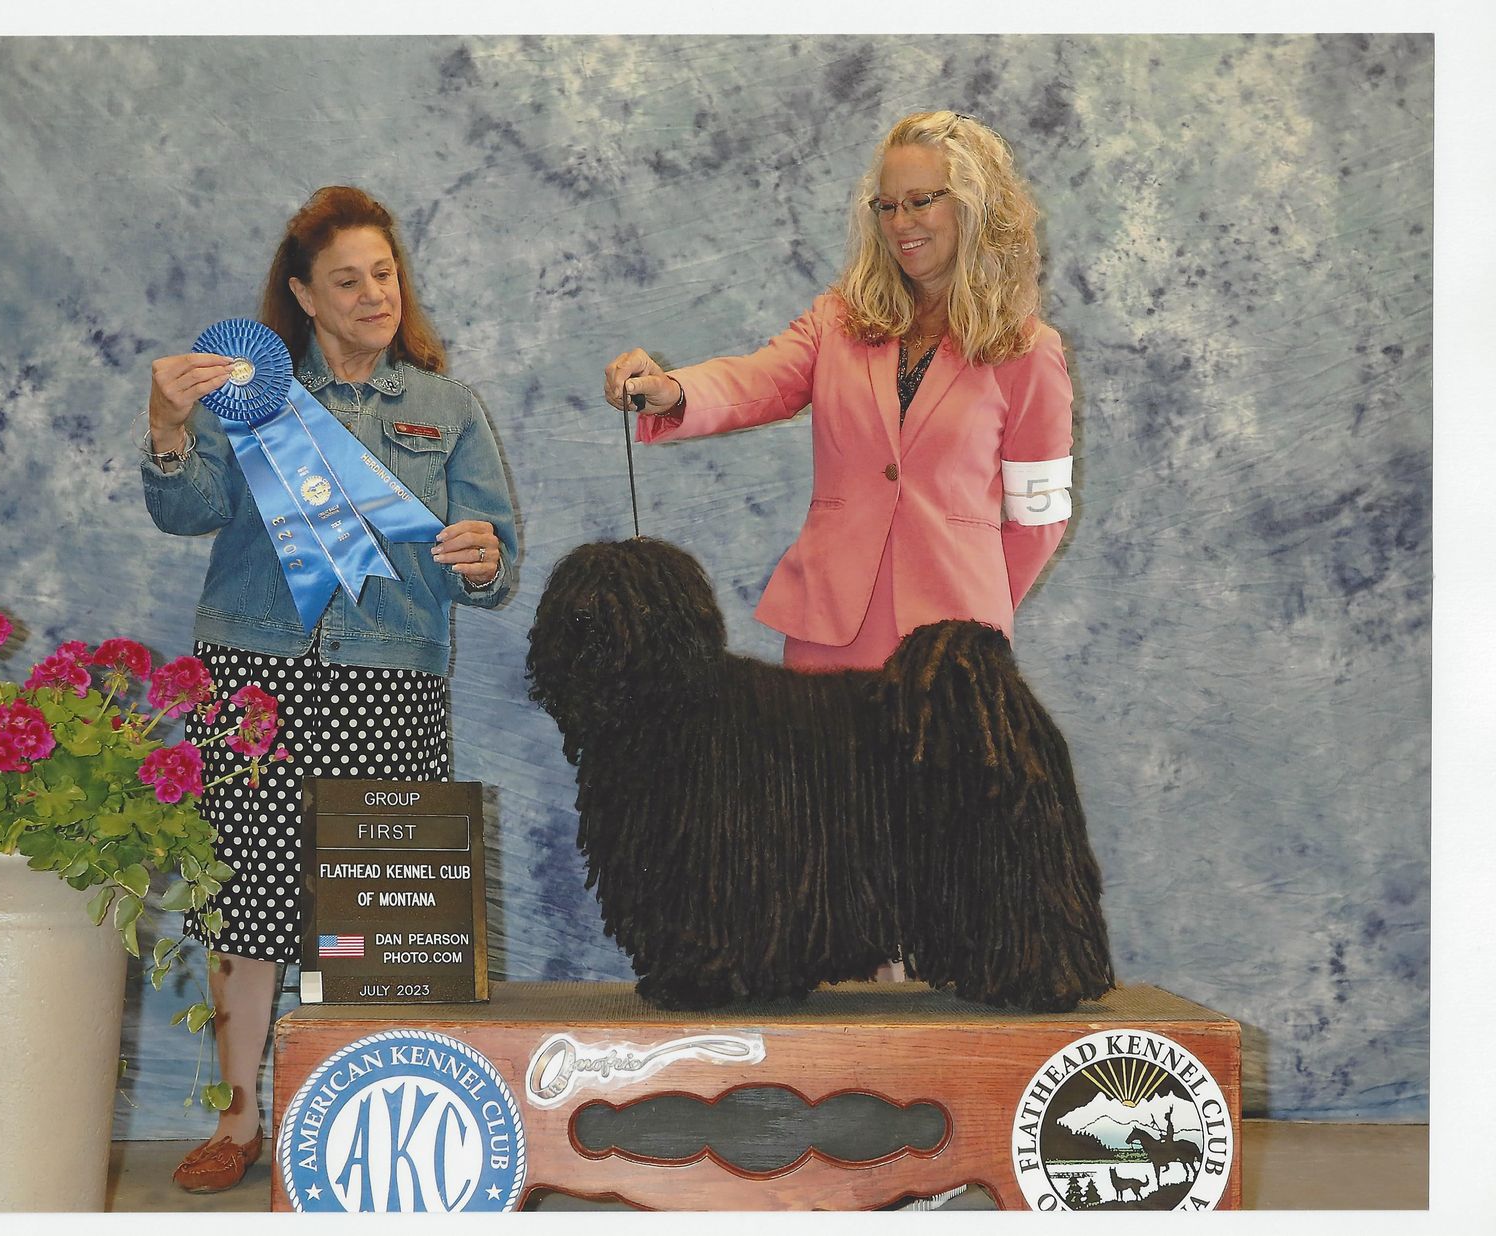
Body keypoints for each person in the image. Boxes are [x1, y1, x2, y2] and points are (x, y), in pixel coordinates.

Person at [603, 110, 1074, 984]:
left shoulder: (1029, 352)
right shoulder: (839, 321)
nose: (902, 223)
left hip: (948, 667)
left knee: (953, 881)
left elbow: (1040, 515)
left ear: (976, 206)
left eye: (923, 201)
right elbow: (755, 380)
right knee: (826, 876)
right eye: (887, 205)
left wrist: (973, 628)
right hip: (831, 636)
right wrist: (672, 389)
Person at [140, 185, 517, 1192]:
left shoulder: (449, 409)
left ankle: (360, 1121)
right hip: (255, 677)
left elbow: (492, 564)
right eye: (346, 281)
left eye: (384, 274)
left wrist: (483, 558)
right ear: (303, 296)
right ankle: (237, 1122)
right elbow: (187, 510)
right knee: (245, 904)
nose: (373, 295)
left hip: (389, 683)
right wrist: (168, 427)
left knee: (378, 917)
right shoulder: (247, 395)